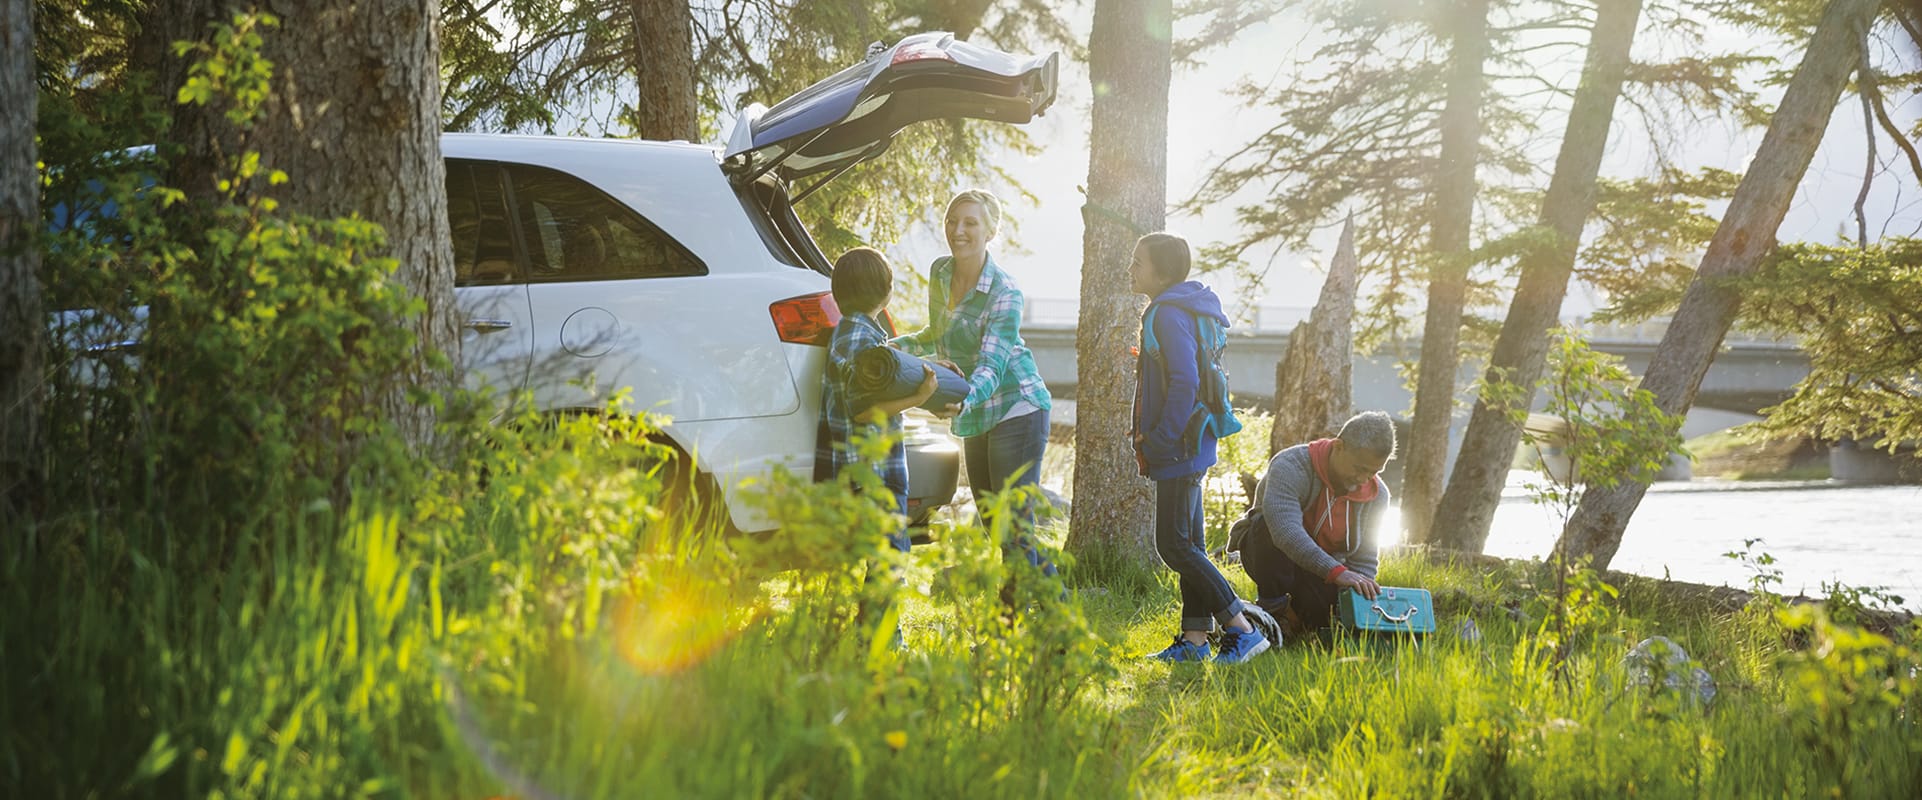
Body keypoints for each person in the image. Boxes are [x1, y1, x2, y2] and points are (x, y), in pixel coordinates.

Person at [893, 189, 1057, 580]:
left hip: (1017, 406)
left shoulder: (1004, 292)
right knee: (994, 525)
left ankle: (1009, 632)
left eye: (971, 223)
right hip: (978, 407)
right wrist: (888, 349)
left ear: (990, 231)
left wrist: (963, 401)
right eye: (952, 220)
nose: (958, 230)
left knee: (1012, 530)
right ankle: (1060, 617)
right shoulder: (941, 272)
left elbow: (993, 365)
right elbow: (936, 333)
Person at [1130, 232, 1269, 664]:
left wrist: (1160, 440)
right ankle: (1194, 639)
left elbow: (1186, 381)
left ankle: (1241, 627)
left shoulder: (1168, 313)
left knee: (1173, 546)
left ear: (1163, 271)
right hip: (1194, 440)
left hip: (1179, 445)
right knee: (1189, 543)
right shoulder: (1183, 307)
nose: (1131, 267)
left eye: (1139, 261)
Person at [817, 248, 939, 559]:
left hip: (862, 470)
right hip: (874, 470)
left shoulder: (850, 334)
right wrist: (919, 398)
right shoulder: (862, 341)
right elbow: (864, 411)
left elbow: (886, 376)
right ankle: (876, 610)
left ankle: (871, 608)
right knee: (891, 559)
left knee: (881, 557)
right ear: (886, 292)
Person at [1238, 411, 1396, 636]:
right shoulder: (1290, 465)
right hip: (1270, 556)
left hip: (1323, 570)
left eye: (1374, 472)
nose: (1364, 479)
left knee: (1323, 623)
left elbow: (1364, 558)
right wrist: (1335, 571)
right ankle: (1271, 611)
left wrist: (1359, 599)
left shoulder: (1378, 495)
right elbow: (1285, 532)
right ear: (1339, 447)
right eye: (1360, 468)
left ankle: (1289, 617)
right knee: (1264, 526)